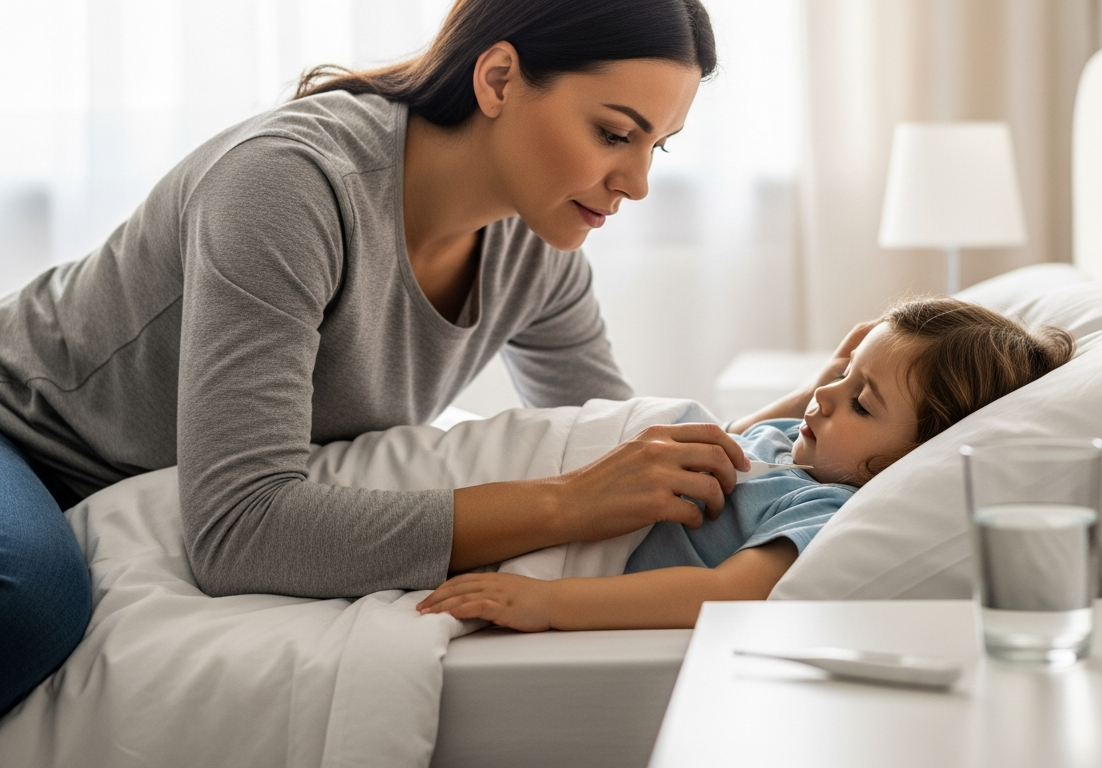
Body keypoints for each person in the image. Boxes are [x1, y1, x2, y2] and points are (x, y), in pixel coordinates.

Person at [0, 0, 822, 716]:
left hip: (135, 480)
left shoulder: (538, 250)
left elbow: (623, 450)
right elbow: (239, 530)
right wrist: (566, 504)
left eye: (659, 147)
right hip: (24, 433)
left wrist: (809, 414)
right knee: (28, 608)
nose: (637, 183)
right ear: (498, 79)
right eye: (614, 133)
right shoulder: (290, 185)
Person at [416, 297, 1076, 630]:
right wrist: (830, 383)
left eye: (861, 403)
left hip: (577, 556)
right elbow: (732, 437)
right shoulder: (801, 445)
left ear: (903, 463)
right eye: (843, 375)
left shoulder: (824, 507)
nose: (824, 397)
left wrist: (549, 602)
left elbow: (726, 591)